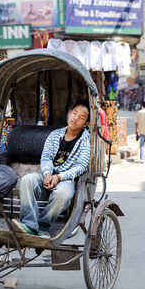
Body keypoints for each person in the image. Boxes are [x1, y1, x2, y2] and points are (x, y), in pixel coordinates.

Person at [11, 101, 91, 239]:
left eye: (81, 117)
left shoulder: (85, 141)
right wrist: (47, 174)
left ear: (85, 123)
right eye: (74, 113)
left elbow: (81, 166)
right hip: (48, 175)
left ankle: (43, 225)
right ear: (69, 113)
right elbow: (46, 157)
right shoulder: (55, 135)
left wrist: (58, 177)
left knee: (63, 193)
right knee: (27, 180)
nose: (76, 118)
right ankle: (29, 225)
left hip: (66, 179)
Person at [100, 103, 109, 171]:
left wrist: (101, 137)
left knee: (102, 152)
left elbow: (102, 125)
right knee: (100, 152)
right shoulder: (98, 112)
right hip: (100, 134)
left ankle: (103, 168)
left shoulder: (101, 112)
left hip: (103, 135)